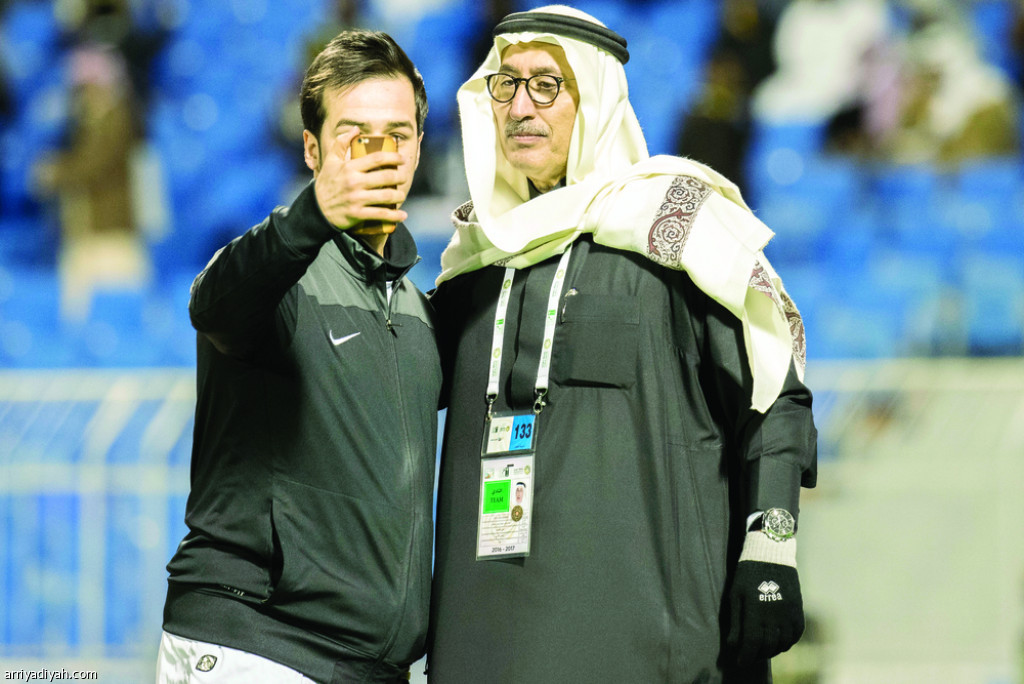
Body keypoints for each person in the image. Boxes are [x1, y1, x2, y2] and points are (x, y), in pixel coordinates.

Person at [427, 6, 817, 682]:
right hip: (479, 640)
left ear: (598, 99)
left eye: (546, 85)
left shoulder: (681, 231)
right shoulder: (473, 263)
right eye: (506, 84)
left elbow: (773, 392)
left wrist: (771, 547)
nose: (520, 106)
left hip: (648, 643)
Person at [158, 30, 441, 683]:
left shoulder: (417, 310)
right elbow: (216, 303)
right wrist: (312, 215)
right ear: (312, 149)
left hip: (368, 667)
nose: (379, 153)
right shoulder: (278, 270)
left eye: (398, 134)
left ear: (419, 148)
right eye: (354, 134)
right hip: (258, 647)